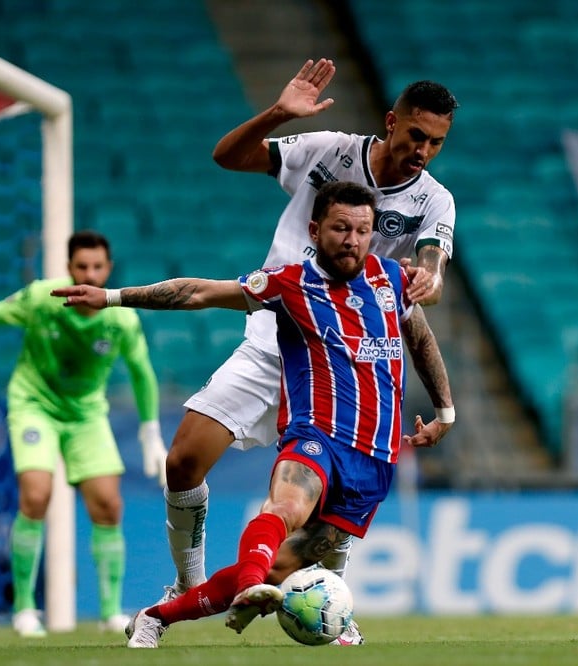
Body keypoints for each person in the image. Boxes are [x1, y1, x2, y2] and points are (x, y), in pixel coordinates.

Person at [52, 181, 453, 648]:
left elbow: (420, 339)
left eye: (362, 230)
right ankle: (249, 587)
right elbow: (198, 292)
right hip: (317, 437)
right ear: (315, 228)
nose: (352, 240)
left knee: (282, 567)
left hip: (373, 459)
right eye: (341, 228)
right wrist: (114, 297)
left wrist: (444, 408)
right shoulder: (290, 283)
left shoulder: (391, 278)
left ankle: (156, 617)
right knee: (284, 508)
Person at [158, 58, 458, 645]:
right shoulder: (329, 149)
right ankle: (185, 580)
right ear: (391, 121)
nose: (423, 150)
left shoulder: (434, 200)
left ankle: (332, 608)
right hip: (276, 331)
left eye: (437, 142)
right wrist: (277, 113)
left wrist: (428, 276)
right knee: (183, 461)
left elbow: (433, 266)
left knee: (328, 509)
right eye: (416, 135)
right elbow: (228, 157)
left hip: (346, 363)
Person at [0, 230, 169, 637]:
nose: (89, 274)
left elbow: (142, 372)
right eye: (82, 267)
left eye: (97, 267)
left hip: (86, 414)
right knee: (36, 494)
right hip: (34, 405)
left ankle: (111, 611)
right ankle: (24, 607)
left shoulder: (121, 317)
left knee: (108, 505)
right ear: (68, 268)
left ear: (108, 268)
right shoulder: (43, 299)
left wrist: (150, 434)